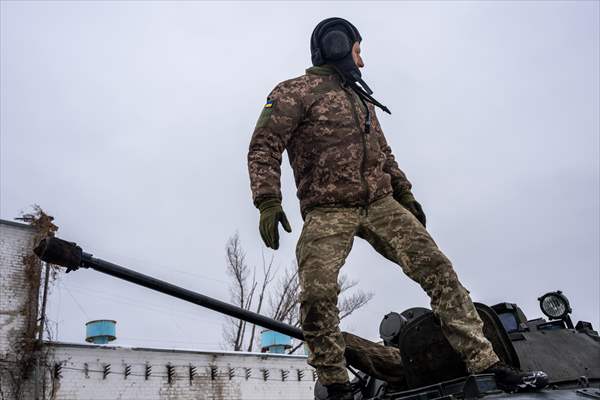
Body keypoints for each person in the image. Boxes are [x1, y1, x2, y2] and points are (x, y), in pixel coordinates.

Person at [248, 17, 547, 400]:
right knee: (318, 295)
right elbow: (264, 146)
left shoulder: (360, 99)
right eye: (358, 51)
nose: (362, 62)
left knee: (439, 270)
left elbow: (383, 154)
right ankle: (337, 385)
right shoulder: (294, 92)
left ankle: (487, 364)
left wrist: (405, 194)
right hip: (328, 210)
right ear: (338, 46)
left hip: (380, 203)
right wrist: (268, 200)